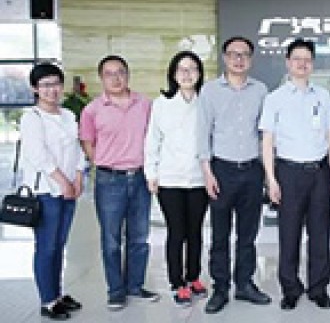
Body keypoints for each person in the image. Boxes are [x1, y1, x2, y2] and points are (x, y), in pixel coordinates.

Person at [260, 39, 330, 310]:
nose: (302, 64)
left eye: (307, 59)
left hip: (319, 172)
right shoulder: (275, 98)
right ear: (288, 62)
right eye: (297, 59)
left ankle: (319, 288)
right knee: (289, 234)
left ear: (312, 64)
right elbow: (268, 141)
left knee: (320, 233)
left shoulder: (323, 96)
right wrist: (271, 178)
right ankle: (290, 288)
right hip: (288, 172)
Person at [197, 36, 271, 314]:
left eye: (244, 55)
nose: (239, 59)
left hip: (252, 170)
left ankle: (244, 284)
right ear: (225, 58)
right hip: (222, 170)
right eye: (233, 54)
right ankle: (220, 288)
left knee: (248, 234)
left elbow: (265, 135)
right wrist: (207, 173)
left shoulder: (261, 90)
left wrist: (267, 173)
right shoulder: (210, 91)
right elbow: (202, 133)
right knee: (220, 235)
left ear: (251, 59)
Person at [79, 55, 158, 310]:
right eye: (109, 73)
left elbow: (155, 138)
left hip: (140, 178)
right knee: (111, 239)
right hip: (109, 180)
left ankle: (135, 286)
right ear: (101, 78)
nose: (116, 78)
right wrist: (105, 163)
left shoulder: (145, 105)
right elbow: (87, 143)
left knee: (139, 237)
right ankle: (115, 290)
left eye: (120, 72)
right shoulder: (92, 110)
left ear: (128, 75)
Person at [144, 51, 209, 307]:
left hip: (199, 179)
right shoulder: (161, 104)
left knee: (195, 231)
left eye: (192, 69)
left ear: (199, 73)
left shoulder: (206, 102)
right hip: (170, 179)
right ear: (173, 74)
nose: (187, 74)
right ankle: (177, 282)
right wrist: (151, 173)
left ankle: (193, 277)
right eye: (182, 69)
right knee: (177, 231)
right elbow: (152, 141)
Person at [20, 63, 84, 320]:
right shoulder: (31, 118)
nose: (52, 90)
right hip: (46, 191)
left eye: (56, 84)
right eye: (45, 85)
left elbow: (77, 149)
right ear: (35, 89)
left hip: (69, 190)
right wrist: (63, 182)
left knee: (59, 245)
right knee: (47, 247)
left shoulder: (68, 115)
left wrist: (78, 177)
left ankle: (57, 294)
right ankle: (48, 301)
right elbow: (39, 156)